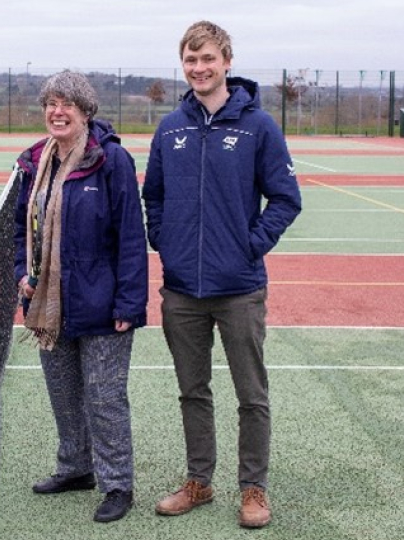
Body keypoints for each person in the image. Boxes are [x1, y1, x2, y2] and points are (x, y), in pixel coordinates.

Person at [142, 21, 302, 529]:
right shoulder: (171, 128)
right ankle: (199, 481)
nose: (199, 68)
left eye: (207, 58)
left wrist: (248, 247)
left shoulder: (259, 126)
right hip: (182, 290)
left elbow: (285, 199)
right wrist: (165, 242)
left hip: (239, 289)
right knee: (193, 391)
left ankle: (254, 488)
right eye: (190, 60)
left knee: (251, 394)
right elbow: (155, 197)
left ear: (226, 60)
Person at [14, 70, 148, 523]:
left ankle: (117, 484)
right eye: (51, 103)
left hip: (102, 303)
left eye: (67, 103)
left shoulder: (110, 161)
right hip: (50, 304)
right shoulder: (34, 161)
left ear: (85, 111)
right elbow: (19, 229)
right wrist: (22, 273)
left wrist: (129, 305)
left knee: (104, 397)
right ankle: (75, 468)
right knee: (64, 394)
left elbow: (131, 236)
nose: (57, 111)